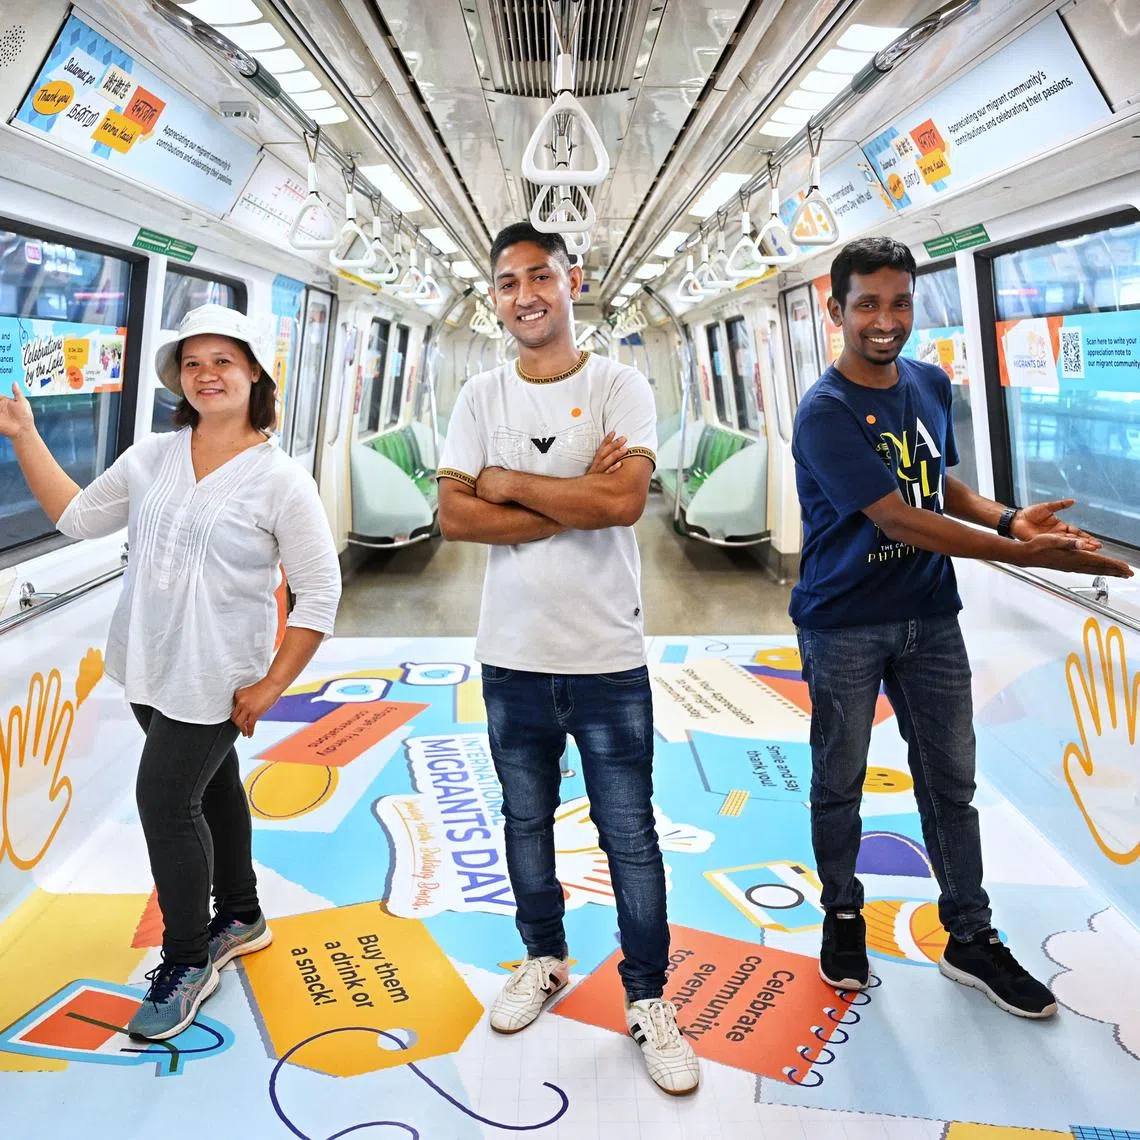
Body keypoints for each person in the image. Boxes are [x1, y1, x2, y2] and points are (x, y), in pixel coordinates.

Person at [791, 237, 1133, 1017]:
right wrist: (1022, 554)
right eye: (868, 304)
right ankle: (843, 913)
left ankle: (969, 937)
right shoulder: (824, 414)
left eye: (900, 302)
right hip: (843, 624)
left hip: (930, 621)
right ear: (835, 309)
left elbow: (936, 481)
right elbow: (900, 519)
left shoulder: (929, 382)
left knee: (951, 781)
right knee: (838, 781)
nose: (886, 321)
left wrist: (1011, 518)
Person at [0, 304, 341, 1040]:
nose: (208, 374)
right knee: (210, 790)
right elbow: (77, 517)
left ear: (254, 372)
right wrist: (26, 434)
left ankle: (188, 958)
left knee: (164, 801)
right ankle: (242, 915)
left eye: (224, 360)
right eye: (193, 363)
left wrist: (271, 685)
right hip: (147, 665)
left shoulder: (282, 479)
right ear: (179, 380)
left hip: (219, 678)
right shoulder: (152, 456)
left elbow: (321, 591)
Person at [436, 222, 700, 1096]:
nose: (525, 296)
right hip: (511, 654)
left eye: (539, 276)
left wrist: (506, 482)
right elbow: (456, 518)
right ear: (495, 299)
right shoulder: (479, 397)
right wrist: (569, 495)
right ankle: (543, 957)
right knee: (523, 823)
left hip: (605, 654)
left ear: (570, 279)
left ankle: (649, 996)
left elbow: (624, 503)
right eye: (507, 283)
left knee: (630, 833)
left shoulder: (622, 384)